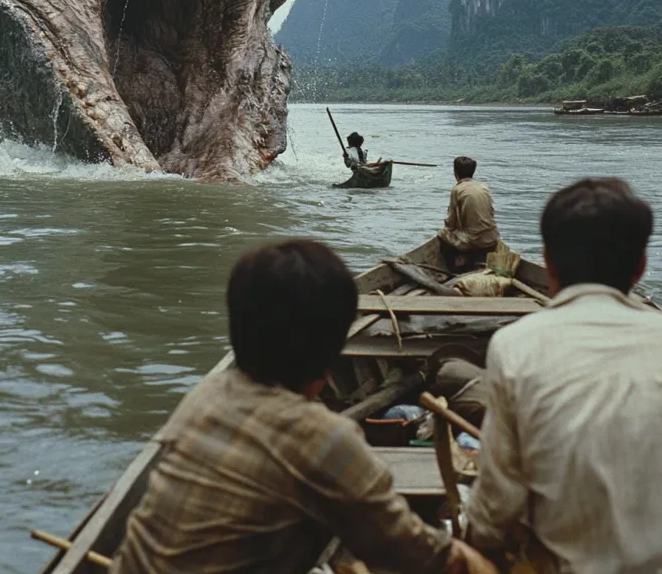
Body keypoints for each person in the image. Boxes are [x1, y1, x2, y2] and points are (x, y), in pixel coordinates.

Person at [111, 239, 495, 574]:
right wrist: (468, 558)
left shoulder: (208, 394)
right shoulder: (323, 438)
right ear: (330, 355)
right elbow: (414, 554)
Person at [466, 177, 662, 573]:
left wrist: (474, 541)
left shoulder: (515, 345)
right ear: (640, 267)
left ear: (548, 262)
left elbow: (497, 507)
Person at [438, 157, 499, 270]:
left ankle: (454, 269)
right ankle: (470, 259)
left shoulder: (457, 189)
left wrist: (448, 231)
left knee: (442, 235)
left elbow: (451, 223)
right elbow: (490, 213)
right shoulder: (483, 187)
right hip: (492, 238)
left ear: (455, 173)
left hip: (473, 241)